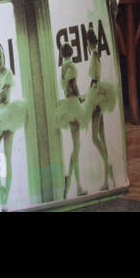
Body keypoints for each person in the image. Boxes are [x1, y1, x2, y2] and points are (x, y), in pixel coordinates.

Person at [0, 41, 27, 210]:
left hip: (8, 116)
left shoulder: (8, 74)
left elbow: (6, 98)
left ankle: (5, 200)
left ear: (3, 55)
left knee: (7, 157)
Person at [81, 27, 117, 191]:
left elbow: (94, 80)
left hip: (95, 96)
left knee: (95, 138)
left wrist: (88, 96)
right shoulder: (96, 54)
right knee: (101, 138)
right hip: (96, 94)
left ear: (88, 42)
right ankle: (107, 179)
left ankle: (108, 168)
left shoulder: (94, 54)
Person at [55, 42, 87, 199]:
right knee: (76, 147)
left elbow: (65, 86)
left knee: (76, 147)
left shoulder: (63, 66)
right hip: (73, 103)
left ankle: (75, 186)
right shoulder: (71, 65)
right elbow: (73, 85)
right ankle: (72, 185)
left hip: (67, 104)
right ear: (71, 52)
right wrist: (80, 97)